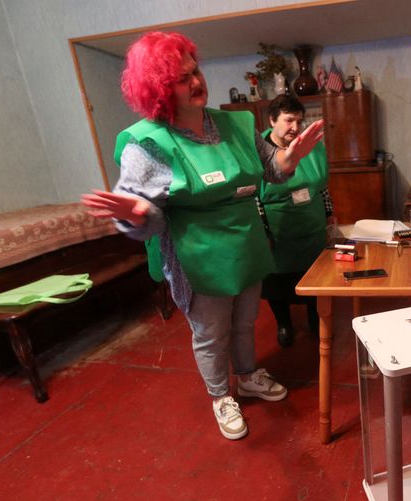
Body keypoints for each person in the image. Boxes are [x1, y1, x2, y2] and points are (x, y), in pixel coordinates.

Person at [80, 32, 324, 440]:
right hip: (198, 254)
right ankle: (219, 395)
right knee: (211, 333)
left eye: (195, 71)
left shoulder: (235, 122)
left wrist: (291, 157)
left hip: (246, 242)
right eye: (180, 79)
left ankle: (246, 376)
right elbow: (146, 217)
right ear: (158, 90)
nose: (196, 83)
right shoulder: (147, 143)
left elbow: (271, 169)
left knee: (246, 320)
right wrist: (137, 214)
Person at [256, 95, 332, 347]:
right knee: (278, 283)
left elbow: (322, 187)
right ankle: (284, 324)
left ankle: (314, 318)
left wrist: (330, 216)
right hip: (278, 234)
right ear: (272, 120)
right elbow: (254, 197)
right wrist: (263, 232)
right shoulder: (260, 151)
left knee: (314, 277)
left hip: (311, 229)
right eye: (288, 120)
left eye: (299, 121)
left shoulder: (309, 145)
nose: (295, 128)